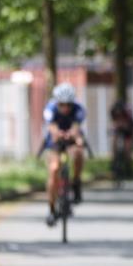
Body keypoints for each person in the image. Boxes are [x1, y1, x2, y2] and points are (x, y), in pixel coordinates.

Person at [43, 83, 86, 226]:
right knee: (54, 168)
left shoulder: (79, 109)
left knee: (79, 153)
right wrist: (58, 133)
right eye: (62, 105)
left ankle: (76, 182)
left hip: (72, 138)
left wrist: (73, 135)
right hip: (55, 140)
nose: (65, 108)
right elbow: (52, 127)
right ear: (57, 103)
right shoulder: (50, 109)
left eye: (68, 105)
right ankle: (51, 209)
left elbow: (76, 126)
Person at [110, 99, 133, 173]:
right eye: (117, 114)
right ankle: (114, 160)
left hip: (129, 129)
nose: (119, 115)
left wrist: (123, 126)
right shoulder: (113, 111)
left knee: (127, 147)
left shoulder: (127, 113)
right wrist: (115, 127)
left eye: (120, 113)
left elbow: (129, 126)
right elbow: (114, 123)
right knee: (114, 141)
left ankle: (128, 165)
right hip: (119, 128)